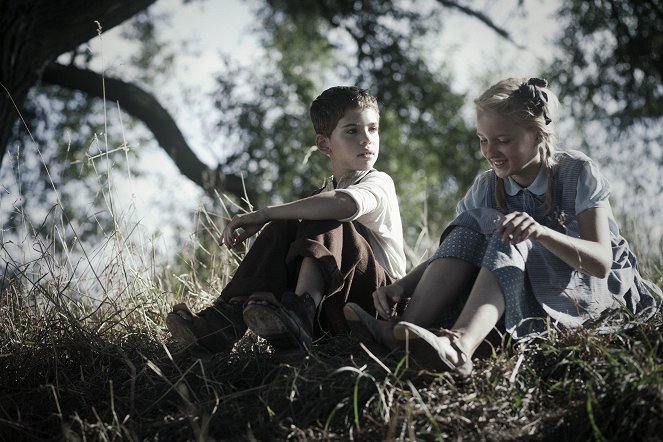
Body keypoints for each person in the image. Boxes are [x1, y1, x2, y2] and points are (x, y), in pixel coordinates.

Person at [344, 77, 662, 377]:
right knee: (470, 226)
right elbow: (454, 249)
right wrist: (403, 286)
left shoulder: (577, 172)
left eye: (503, 140)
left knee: (510, 234)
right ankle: (404, 330)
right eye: (483, 140)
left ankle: (459, 346)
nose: (490, 151)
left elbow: (601, 263)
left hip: (586, 285)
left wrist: (539, 232)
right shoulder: (488, 185)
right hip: (521, 276)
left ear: (538, 135)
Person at [167, 86, 406, 355]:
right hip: (331, 313)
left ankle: (299, 312)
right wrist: (275, 220)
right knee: (292, 219)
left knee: (321, 213)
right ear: (324, 143)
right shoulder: (324, 193)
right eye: (352, 131)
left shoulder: (378, 181)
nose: (366, 139)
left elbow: (343, 203)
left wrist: (265, 212)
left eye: (373, 129)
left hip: (379, 305)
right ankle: (223, 324)